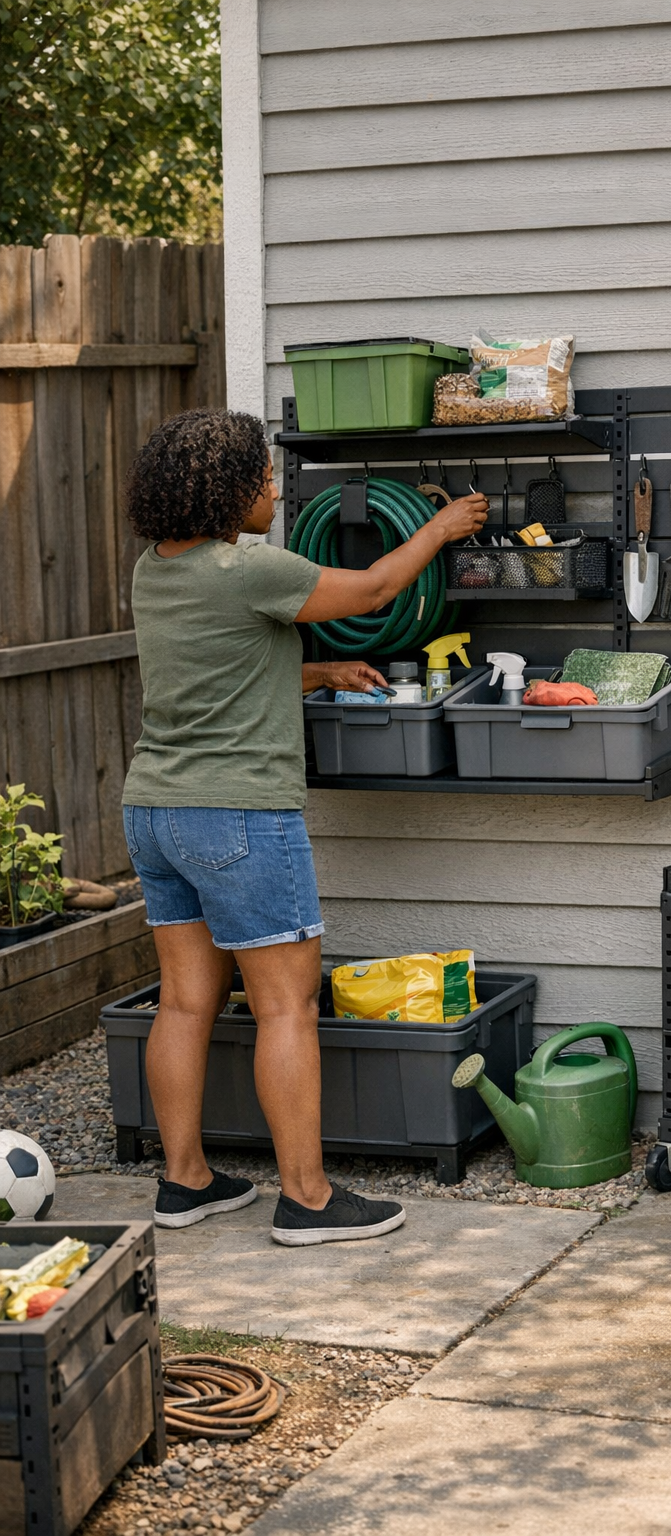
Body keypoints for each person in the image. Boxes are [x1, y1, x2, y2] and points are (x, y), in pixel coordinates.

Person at [120, 408, 488, 1244]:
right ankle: (309, 1198)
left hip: (156, 810)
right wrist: (442, 523)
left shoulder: (155, 569)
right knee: (285, 1007)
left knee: (184, 1004)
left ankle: (183, 1183)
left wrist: (315, 672)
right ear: (226, 492)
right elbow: (374, 589)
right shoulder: (246, 567)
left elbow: (217, 670)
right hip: (241, 812)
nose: (275, 489)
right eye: (263, 478)